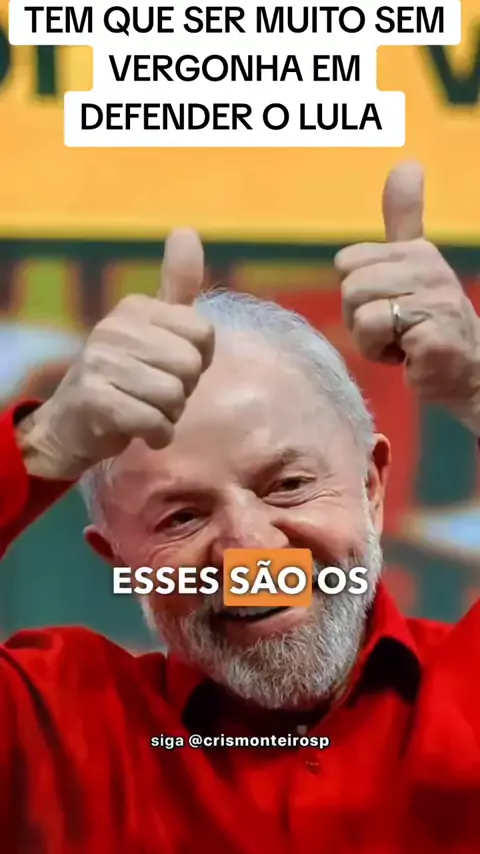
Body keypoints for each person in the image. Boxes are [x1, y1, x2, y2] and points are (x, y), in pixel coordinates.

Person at [2, 162, 480, 854]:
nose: (250, 551)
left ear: (373, 486)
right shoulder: (56, 728)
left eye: (288, 485)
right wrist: (43, 445)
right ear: (120, 560)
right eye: (181, 518)